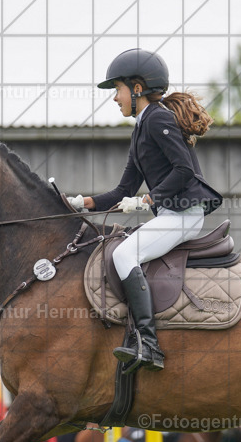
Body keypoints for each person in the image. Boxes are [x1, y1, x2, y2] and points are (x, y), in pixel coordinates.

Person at [70, 48, 223, 372]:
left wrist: (147, 200)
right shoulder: (141, 128)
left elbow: (184, 170)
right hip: (171, 215)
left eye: (118, 89)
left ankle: (149, 345)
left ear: (137, 88)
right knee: (118, 250)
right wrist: (79, 203)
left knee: (125, 256)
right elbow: (122, 191)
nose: (115, 98)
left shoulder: (158, 117)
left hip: (184, 215)